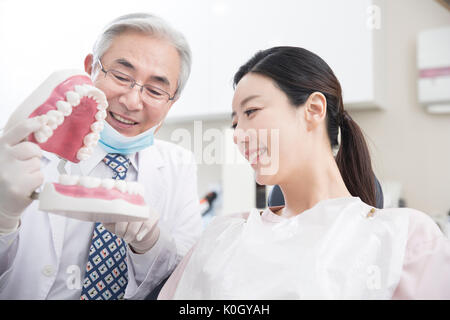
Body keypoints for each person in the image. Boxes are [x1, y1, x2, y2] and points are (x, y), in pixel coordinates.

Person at [158, 46, 450, 299]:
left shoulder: (402, 236)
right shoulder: (223, 234)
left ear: (313, 109)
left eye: (251, 112)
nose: (238, 135)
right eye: (235, 123)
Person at [0, 13, 203, 299]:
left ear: (172, 101)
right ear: (90, 68)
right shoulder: (21, 149)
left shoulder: (179, 166)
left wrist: (150, 245)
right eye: (121, 77)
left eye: (156, 90)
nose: (132, 102)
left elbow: (185, 282)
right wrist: (3, 219)